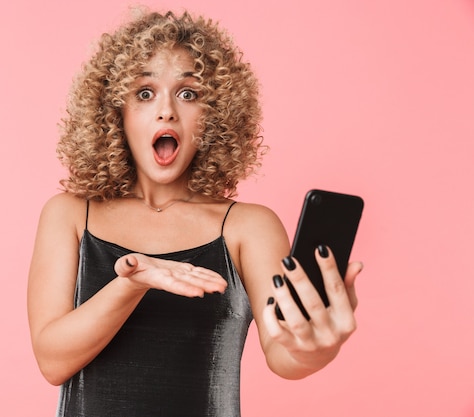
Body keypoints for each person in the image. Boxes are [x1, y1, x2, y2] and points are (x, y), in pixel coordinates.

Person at [27, 9, 363, 417]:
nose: (167, 111)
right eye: (145, 92)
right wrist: (131, 284)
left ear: (214, 117)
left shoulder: (248, 227)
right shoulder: (69, 215)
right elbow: (52, 360)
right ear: (115, 110)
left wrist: (316, 347)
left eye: (188, 94)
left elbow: (284, 354)